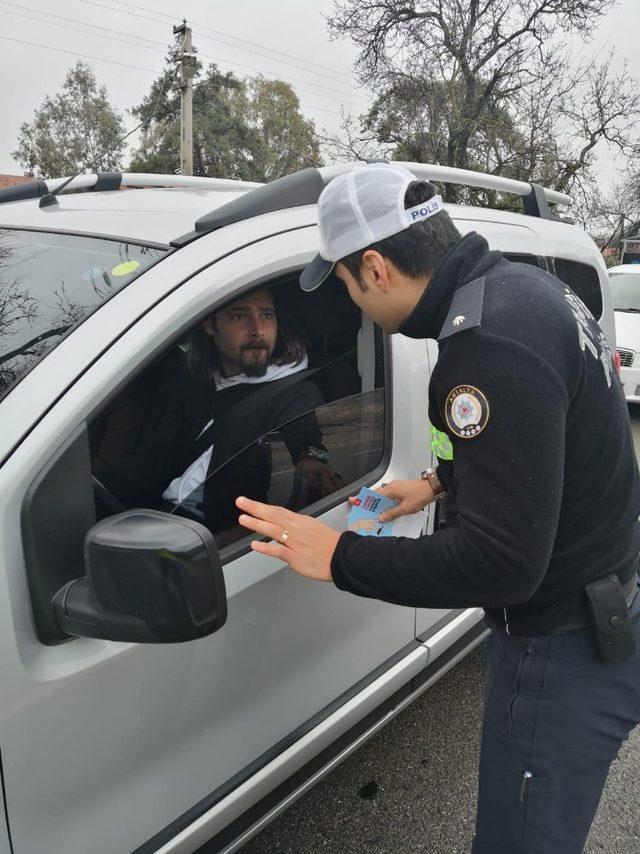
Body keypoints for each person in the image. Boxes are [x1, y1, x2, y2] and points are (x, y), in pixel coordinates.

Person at [235, 163, 640, 853]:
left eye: (343, 283)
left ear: (375, 267)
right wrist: (439, 482)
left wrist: (339, 556)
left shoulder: (487, 346)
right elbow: (550, 439)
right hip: (605, 603)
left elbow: (502, 564)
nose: (351, 303)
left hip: (560, 653)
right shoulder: (524, 288)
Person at [98, 288, 341, 541]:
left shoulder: (295, 394)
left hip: (217, 543)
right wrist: (93, 491)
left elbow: (307, 449)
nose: (258, 330)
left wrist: (311, 459)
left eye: (267, 315)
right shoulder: (195, 385)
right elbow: (153, 459)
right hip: (157, 519)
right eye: (239, 317)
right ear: (210, 325)